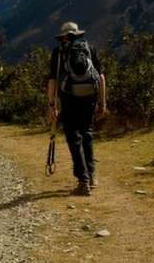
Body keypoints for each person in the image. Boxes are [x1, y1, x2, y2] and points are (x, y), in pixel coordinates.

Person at [47, 22, 107, 196]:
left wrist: (52, 104)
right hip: (90, 97)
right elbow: (101, 78)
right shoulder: (90, 48)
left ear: (64, 37)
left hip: (69, 98)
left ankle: (83, 181)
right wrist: (103, 103)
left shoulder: (58, 52)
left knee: (74, 137)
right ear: (78, 34)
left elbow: (53, 80)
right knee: (87, 133)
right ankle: (92, 175)